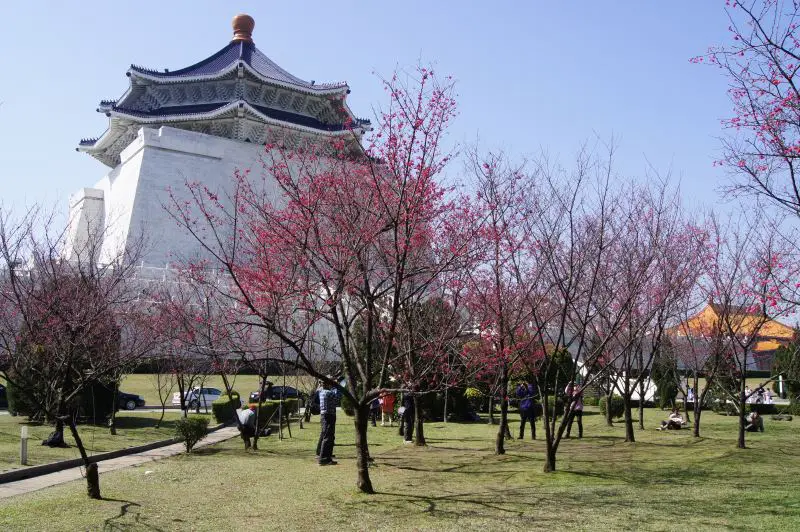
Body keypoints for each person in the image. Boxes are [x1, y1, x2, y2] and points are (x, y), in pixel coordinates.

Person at [315, 378, 340, 465]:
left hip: (324, 416)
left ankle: (325, 456)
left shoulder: (321, 391)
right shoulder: (328, 393)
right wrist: (337, 386)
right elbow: (337, 398)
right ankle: (324, 459)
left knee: (325, 435)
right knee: (328, 437)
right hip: (329, 416)